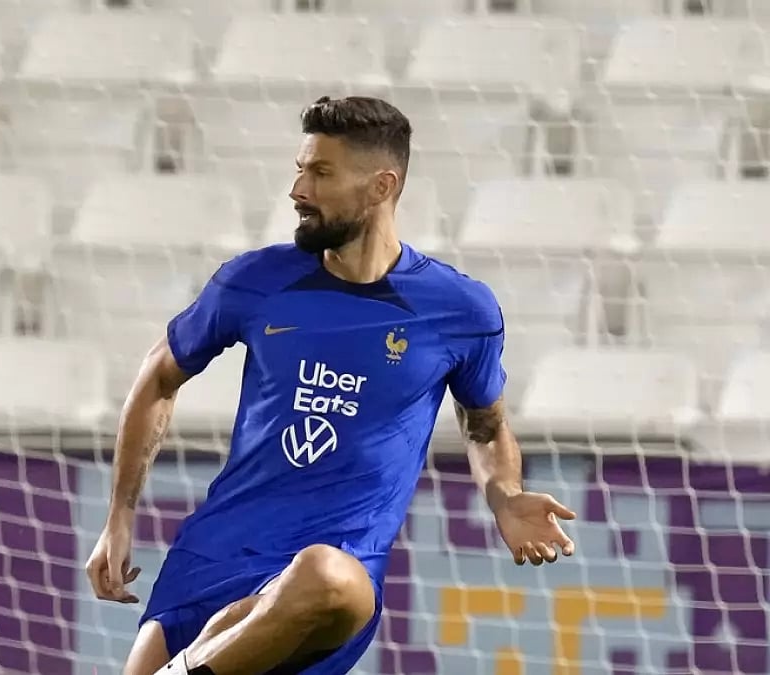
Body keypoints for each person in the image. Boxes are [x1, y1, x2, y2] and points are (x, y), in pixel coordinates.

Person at [84, 96, 577, 675]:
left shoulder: (460, 310)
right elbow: (159, 375)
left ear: (381, 186)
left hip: (339, 574)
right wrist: (119, 517)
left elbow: (486, 426)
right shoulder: (254, 281)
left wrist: (505, 495)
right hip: (214, 553)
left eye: (320, 172)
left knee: (323, 573)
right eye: (299, 169)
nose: (298, 189)